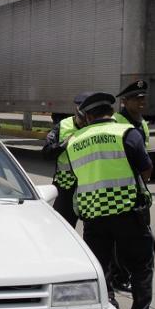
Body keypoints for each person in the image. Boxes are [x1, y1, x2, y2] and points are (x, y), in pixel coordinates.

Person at [66, 92, 155, 309]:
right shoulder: (127, 133)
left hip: (93, 216)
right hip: (128, 213)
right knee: (142, 267)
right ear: (111, 111)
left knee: (101, 270)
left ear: (86, 116)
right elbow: (146, 169)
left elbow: (78, 174)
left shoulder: (75, 141)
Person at [110, 80, 151, 292]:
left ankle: (124, 274)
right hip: (118, 189)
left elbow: (144, 154)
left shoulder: (142, 123)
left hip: (137, 188)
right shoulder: (116, 122)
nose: (142, 102)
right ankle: (118, 276)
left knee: (137, 237)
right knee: (120, 238)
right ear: (125, 102)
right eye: (137, 98)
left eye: (143, 97)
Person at [42, 92, 90, 227]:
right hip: (65, 187)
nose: (85, 123)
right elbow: (46, 153)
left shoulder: (94, 128)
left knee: (93, 232)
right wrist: (63, 145)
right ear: (77, 112)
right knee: (61, 228)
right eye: (82, 119)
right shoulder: (63, 126)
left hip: (89, 187)